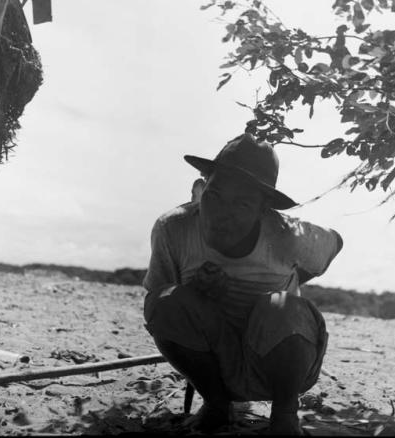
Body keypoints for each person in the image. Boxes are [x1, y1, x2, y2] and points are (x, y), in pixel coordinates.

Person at [142, 133, 343, 435]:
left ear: (264, 210)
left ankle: (285, 414)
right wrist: (198, 293)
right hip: (213, 364)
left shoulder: (288, 234)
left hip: (279, 367)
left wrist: (290, 282)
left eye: (242, 204)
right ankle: (217, 405)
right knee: (165, 302)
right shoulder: (173, 228)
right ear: (200, 189)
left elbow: (335, 243)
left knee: (283, 307)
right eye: (215, 196)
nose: (222, 214)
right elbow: (160, 301)